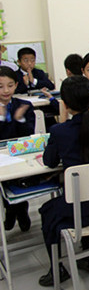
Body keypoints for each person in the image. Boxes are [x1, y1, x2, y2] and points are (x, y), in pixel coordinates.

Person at [38, 76, 89, 286]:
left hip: (78, 207)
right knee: (84, 193)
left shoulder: (60, 131)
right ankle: (88, 256)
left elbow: (49, 161)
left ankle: (56, 269)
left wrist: (62, 121)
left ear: (66, 104)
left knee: (46, 211)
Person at [0, 66, 35, 233]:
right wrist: (1, 118)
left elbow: (29, 134)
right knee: (4, 183)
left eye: (10, 85)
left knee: (19, 181)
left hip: (21, 155)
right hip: (1, 158)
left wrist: (19, 119)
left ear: (16, 85)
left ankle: (19, 209)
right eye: (0, 86)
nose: (6, 91)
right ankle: (13, 209)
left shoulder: (24, 105)